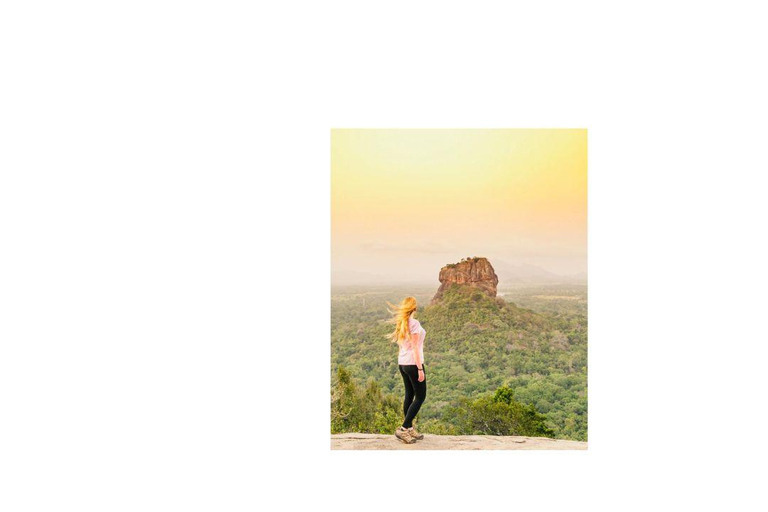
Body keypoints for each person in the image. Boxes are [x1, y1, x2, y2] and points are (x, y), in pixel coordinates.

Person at [385, 296, 427, 444]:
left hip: (402, 363)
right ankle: (403, 429)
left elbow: (401, 345)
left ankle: (409, 428)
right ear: (414, 308)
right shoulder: (414, 324)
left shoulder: (401, 323)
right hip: (413, 363)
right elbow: (415, 347)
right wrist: (420, 368)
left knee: (409, 394)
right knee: (420, 396)